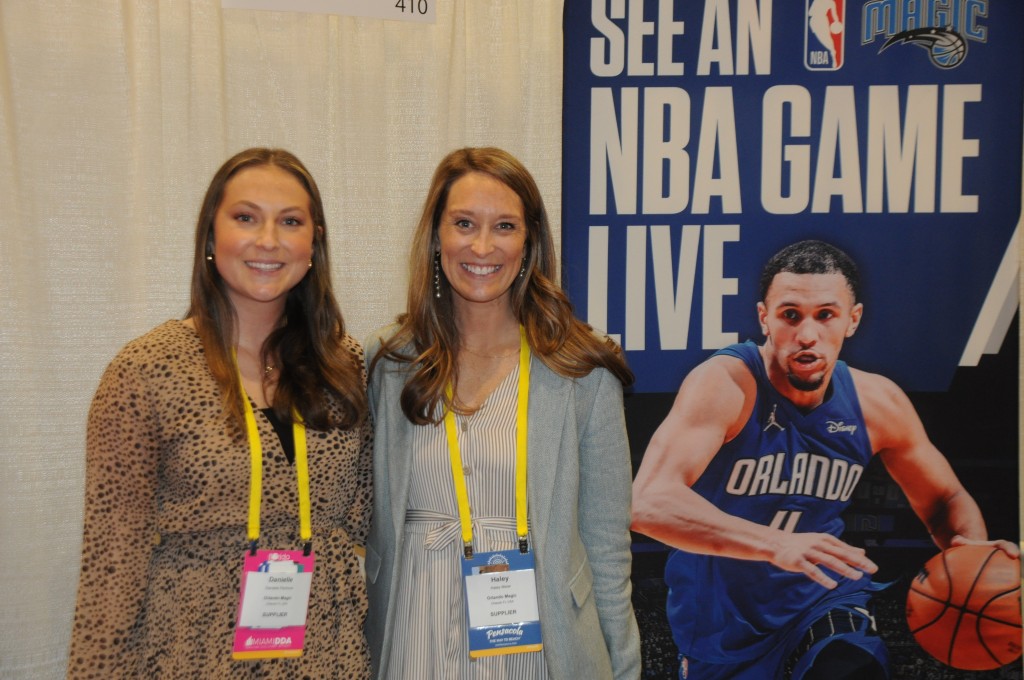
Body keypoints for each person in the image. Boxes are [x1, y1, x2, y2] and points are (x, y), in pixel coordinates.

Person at [631, 240, 1019, 679]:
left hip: (823, 601)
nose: (807, 334)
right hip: (721, 627)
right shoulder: (726, 385)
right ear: (764, 317)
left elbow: (945, 499)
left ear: (852, 320)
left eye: (826, 315)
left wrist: (969, 550)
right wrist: (777, 543)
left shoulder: (878, 403)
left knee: (848, 667)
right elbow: (648, 503)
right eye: (790, 314)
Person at [67, 148, 373, 678]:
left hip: (327, 656)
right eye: (246, 217)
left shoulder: (342, 365)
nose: (268, 240)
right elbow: (111, 569)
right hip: (192, 656)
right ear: (211, 236)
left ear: (313, 243)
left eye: (291, 222)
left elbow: (364, 518)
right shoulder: (146, 370)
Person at [363, 147, 641, 679]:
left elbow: (608, 552)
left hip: (539, 644)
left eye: (505, 226)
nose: (483, 246)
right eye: (464, 223)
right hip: (411, 636)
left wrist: (623, 668)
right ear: (436, 237)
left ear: (529, 242)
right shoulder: (390, 360)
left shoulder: (582, 371)